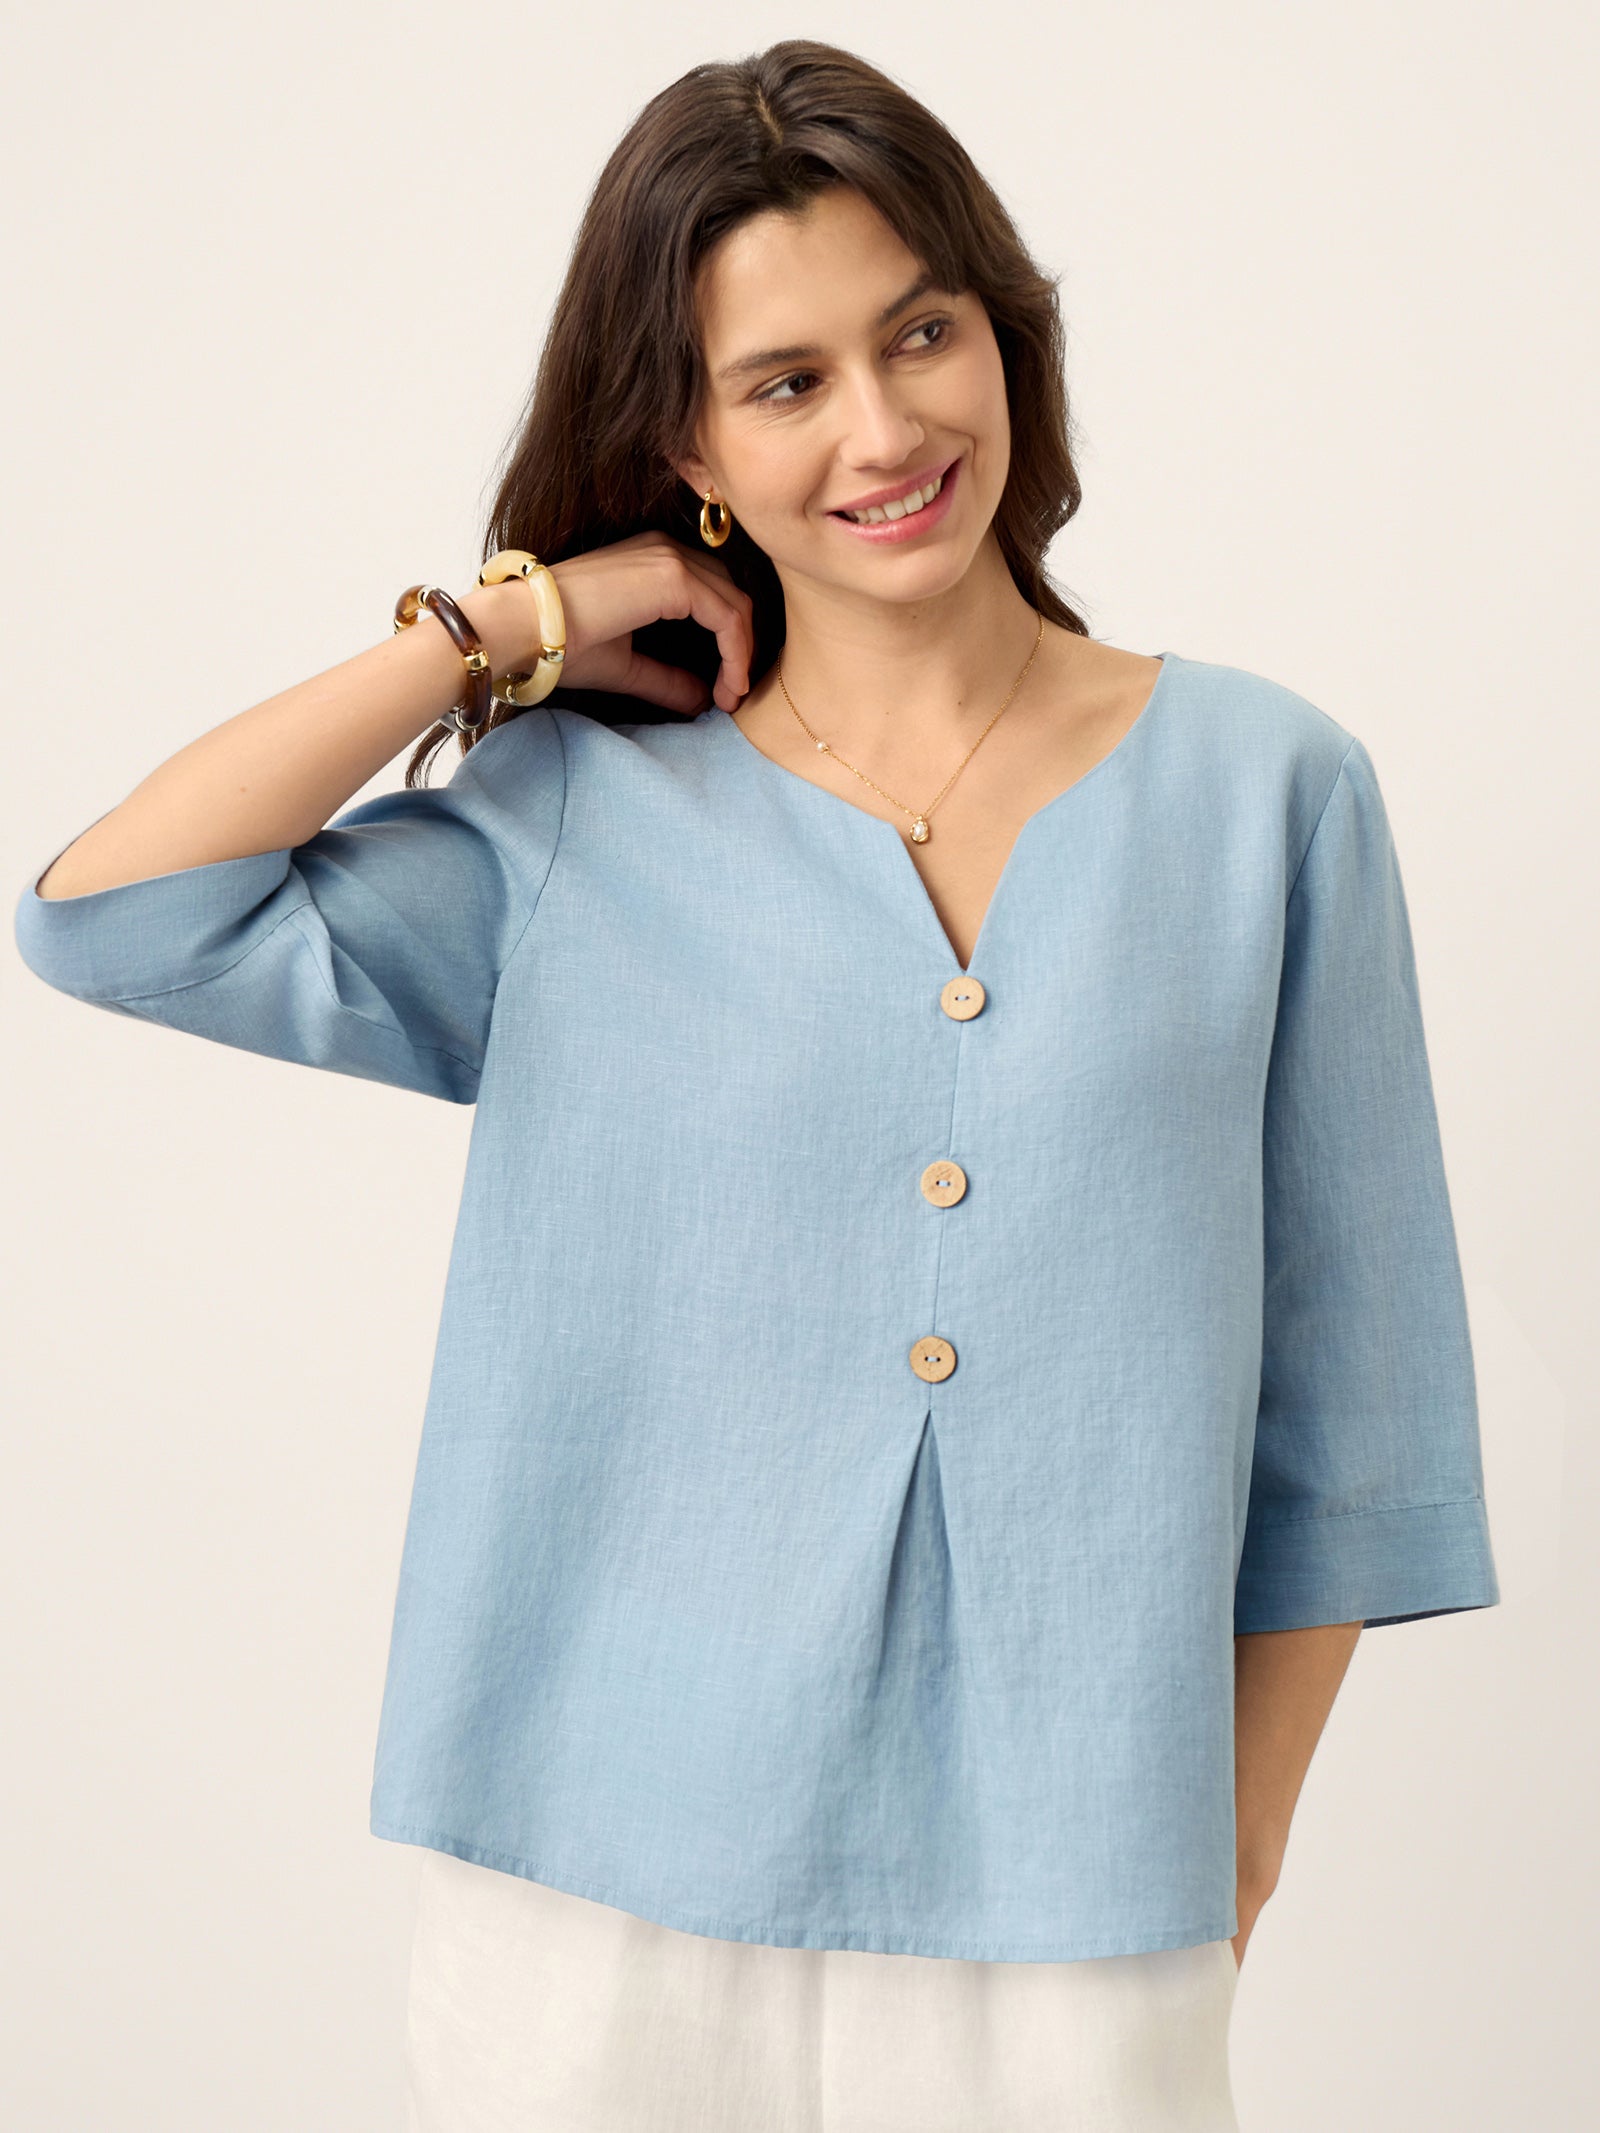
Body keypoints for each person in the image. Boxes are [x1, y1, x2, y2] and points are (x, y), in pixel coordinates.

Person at [13, 38, 1499, 2133]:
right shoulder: (577, 817)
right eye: (785, 381)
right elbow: (111, 915)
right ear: (687, 441)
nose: (885, 430)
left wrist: (1230, 1851)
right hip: (591, 1895)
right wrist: (511, 624)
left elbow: (1360, 1405)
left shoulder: (1273, 793)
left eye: (923, 333)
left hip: (1079, 1896)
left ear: (1007, 336)